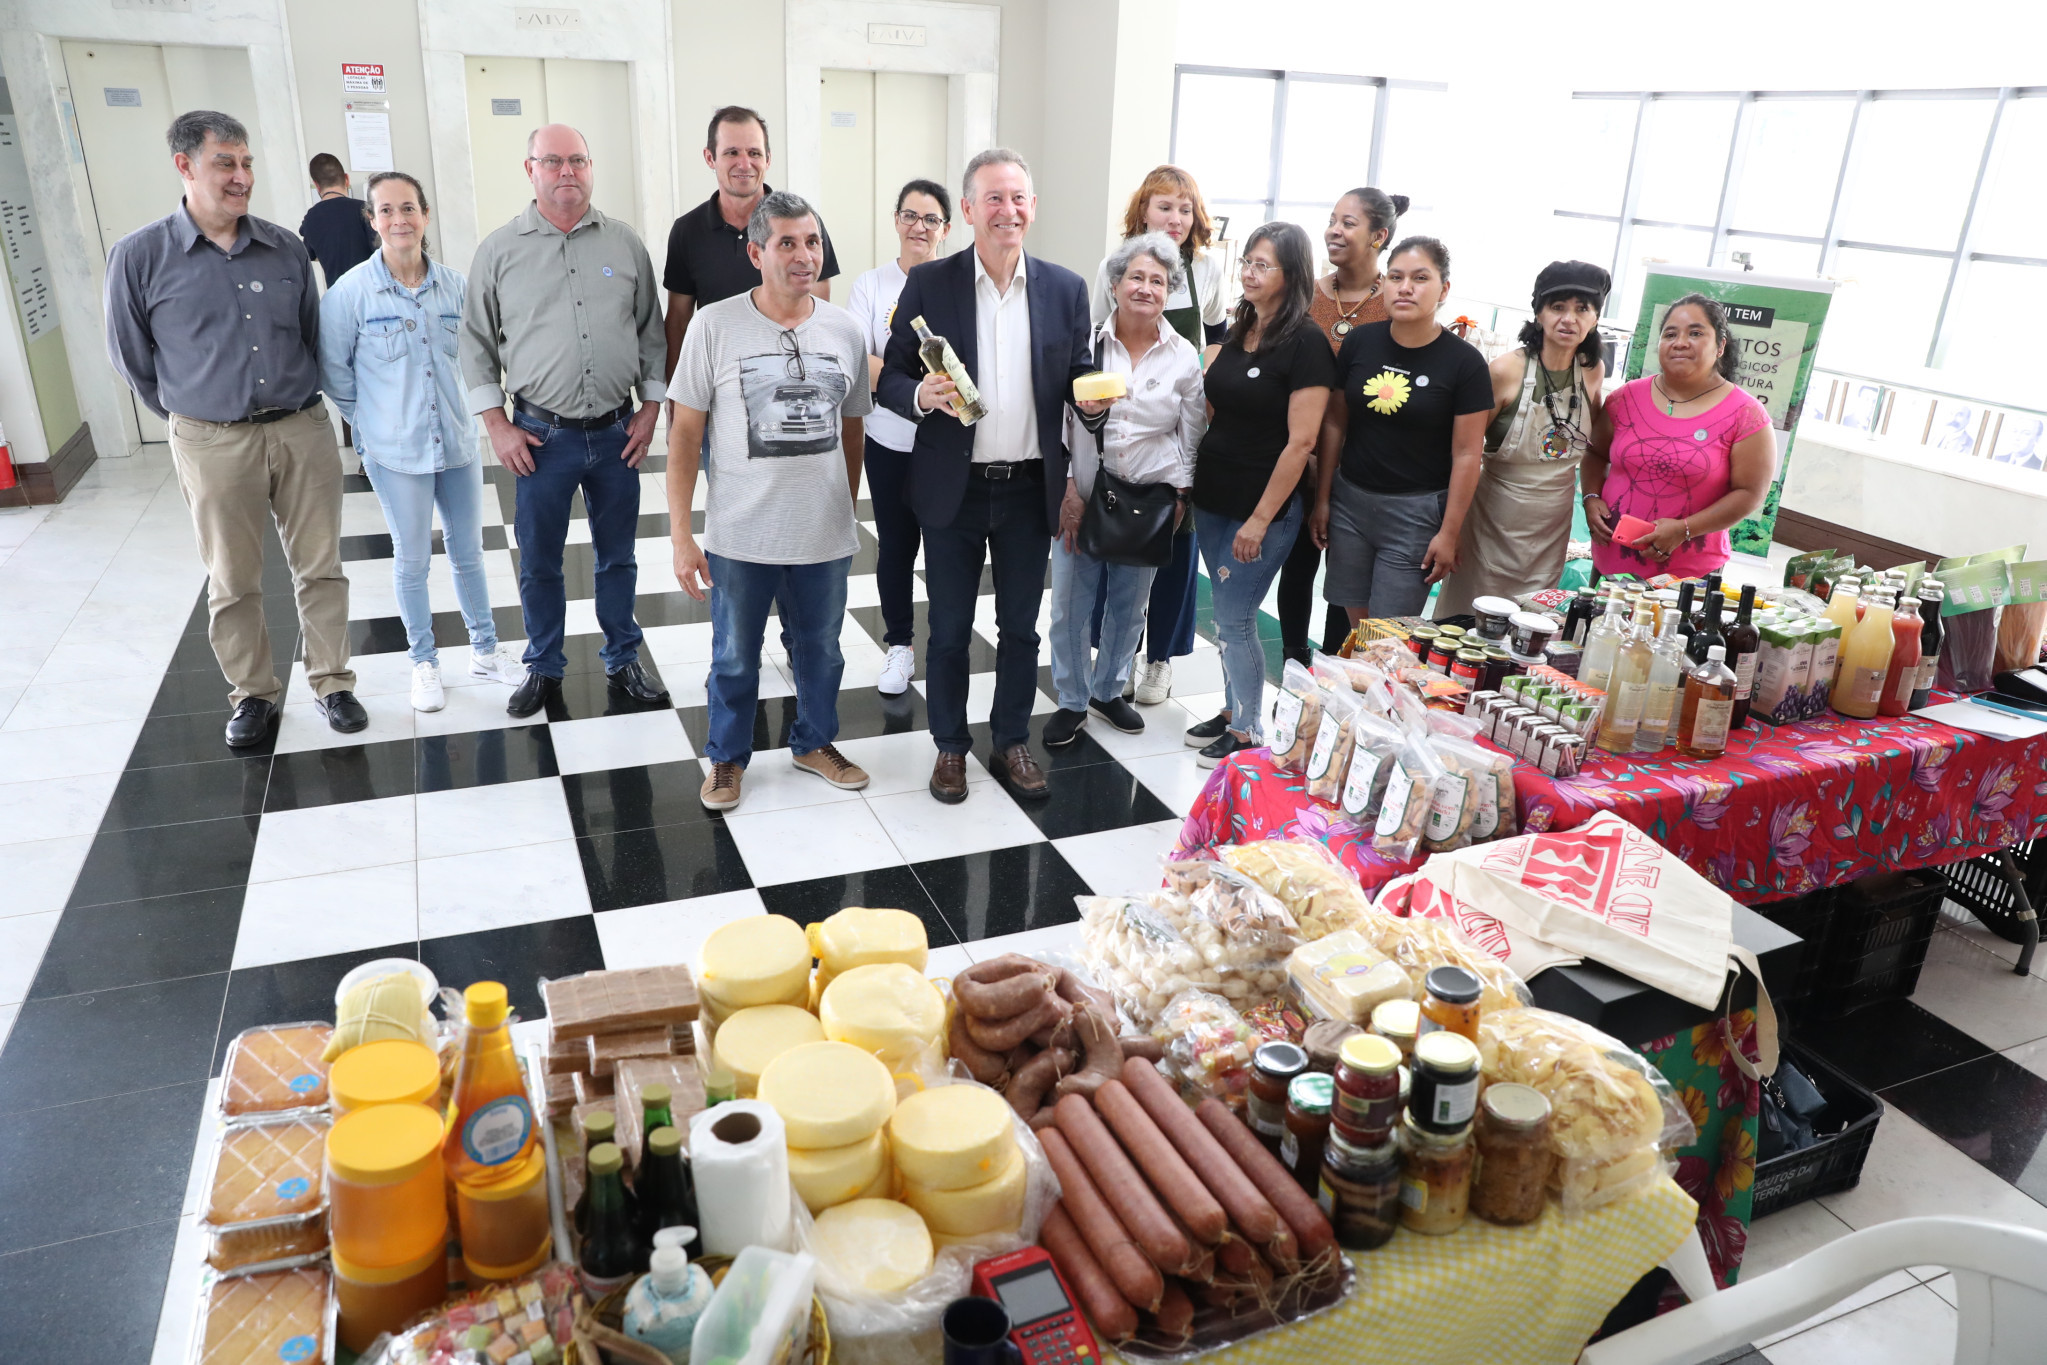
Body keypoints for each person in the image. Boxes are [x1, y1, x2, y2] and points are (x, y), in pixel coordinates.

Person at [104, 110, 363, 747]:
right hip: (212, 439)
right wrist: (194, 417)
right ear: (184, 165)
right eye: (225, 162)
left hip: (300, 427)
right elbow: (132, 358)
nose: (241, 176)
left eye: (246, 162)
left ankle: (332, 682)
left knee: (321, 566)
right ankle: (253, 695)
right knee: (233, 576)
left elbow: (310, 335)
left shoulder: (284, 246)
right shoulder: (140, 256)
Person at [877, 148, 1094, 805]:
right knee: (945, 630)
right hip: (954, 488)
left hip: (1031, 487)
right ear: (968, 210)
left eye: (1019, 198)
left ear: (1032, 207)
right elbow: (888, 376)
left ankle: (1009, 740)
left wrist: (1092, 394)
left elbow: (1077, 370)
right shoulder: (931, 284)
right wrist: (920, 397)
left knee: (1022, 630)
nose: (1008, 210)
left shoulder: (1065, 288)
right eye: (993, 198)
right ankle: (949, 747)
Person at [667, 191, 874, 811]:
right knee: (733, 657)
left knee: (823, 651)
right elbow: (684, 432)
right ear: (756, 252)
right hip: (740, 533)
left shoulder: (844, 329)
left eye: (811, 241)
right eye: (787, 242)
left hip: (822, 532)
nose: (803, 255)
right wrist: (682, 535)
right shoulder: (714, 325)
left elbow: (852, 427)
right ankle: (726, 758)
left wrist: (846, 504)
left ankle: (814, 742)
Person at [460, 123, 669, 717]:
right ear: (530, 170)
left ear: (591, 165)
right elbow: (474, 345)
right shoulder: (499, 251)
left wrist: (651, 408)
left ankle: (624, 658)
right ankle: (544, 667)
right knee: (540, 560)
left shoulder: (624, 244)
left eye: (577, 160)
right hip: (538, 438)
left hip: (616, 434)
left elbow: (651, 333)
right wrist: (497, 426)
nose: (567, 172)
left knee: (618, 556)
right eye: (552, 162)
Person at [318, 171, 530, 712]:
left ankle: (483, 649)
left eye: (408, 208)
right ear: (372, 221)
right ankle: (424, 661)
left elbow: (484, 356)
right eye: (386, 211)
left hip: (456, 443)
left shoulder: (457, 287)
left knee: (469, 554)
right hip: (396, 454)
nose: (398, 219)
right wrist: (370, 426)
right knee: (412, 559)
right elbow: (335, 374)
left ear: (426, 215)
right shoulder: (351, 294)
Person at [1185, 221, 1334, 769]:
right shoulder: (1242, 326)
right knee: (1227, 615)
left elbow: (1301, 444)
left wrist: (1260, 518)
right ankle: (1231, 711)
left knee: (1235, 617)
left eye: (1262, 264)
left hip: (1262, 510)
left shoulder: (1307, 343)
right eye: (1246, 261)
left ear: (1291, 274)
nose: (1249, 272)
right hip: (1215, 495)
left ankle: (1249, 730)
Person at [1046, 231, 1204, 747]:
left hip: (1149, 500)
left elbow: (1191, 432)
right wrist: (1069, 486)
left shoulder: (1182, 356)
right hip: (1085, 494)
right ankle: (1071, 699)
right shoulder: (1087, 345)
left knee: (1130, 604)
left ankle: (1109, 690)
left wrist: (1181, 494)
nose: (1145, 288)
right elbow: (1063, 423)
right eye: (1135, 277)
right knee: (1071, 601)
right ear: (1115, 284)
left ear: (1169, 292)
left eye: (1157, 281)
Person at [1086, 166, 1229, 707]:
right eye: (1164, 206)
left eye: (1184, 209)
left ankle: (1160, 661)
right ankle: (1112, 657)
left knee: (1172, 547)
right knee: (1115, 541)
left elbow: (1217, 335)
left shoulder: (1208, 270)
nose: (1174, 218)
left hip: (1180, 423)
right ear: (1143, 209)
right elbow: (1097, 340)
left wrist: (1195, 373)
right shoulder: (1117, 264)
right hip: (1126, 424)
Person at [1313, 237, 1492, 623]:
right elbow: (1334, 421)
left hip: (1416, 513)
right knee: (1358, 625)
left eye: (1420, 278)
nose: (1405, 287)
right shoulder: (1360, 341)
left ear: (1444, 289)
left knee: (1389, 633)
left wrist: (1449, 532)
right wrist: (1324, 497)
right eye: (1396, 276)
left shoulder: (1465, 363)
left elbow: (1467, 455)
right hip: (1351, 505)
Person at [1435, 260, 1609, 619]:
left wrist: (1592, 497)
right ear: (1539, 313)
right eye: (1557, 307)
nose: (1569, 319)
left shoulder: (1592, 371)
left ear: (1595, 318)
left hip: (1551, 526)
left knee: (1532, 626)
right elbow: (1461, 453)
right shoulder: (1504, 371)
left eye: (1582, 309)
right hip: (1491, 522)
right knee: (1470, 620)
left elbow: (1596, 448)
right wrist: (1448, 532)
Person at [1277, 187, 1405, 662]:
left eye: (1348, 223)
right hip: (1297, 455)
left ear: (1379, 236)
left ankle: (1336, 668)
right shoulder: (1305, 293)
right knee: (1297, 565)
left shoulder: (1394, 302)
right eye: (1332, 219)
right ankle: (1294, 662)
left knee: (1345, 575)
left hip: (1359, 464)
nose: (1334, 229)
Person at [845, 179, 951, 697]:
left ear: (946, 229)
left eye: (930, 219)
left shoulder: (956, 283)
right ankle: (900, 646)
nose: (920, 227)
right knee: (896, 547)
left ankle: (946, 646)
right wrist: (913, 388)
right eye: (910, 216)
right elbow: (857, 356)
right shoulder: (871, 285)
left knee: (950, 546)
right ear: (895, 221)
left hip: (948, 441)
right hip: (888, 436)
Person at [1584, 293, 1774, 579]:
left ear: (1720, 346)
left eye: (1696, 333)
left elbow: (1750, 493)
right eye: (1670, 334)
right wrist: (1590, 495)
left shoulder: (1746, 414)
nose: (1680, 342)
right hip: (1611, 562)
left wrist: (1684, 530)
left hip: (1688, 577)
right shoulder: (1625, 398)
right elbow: (1595, 453)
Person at [662, 106, 840, 391]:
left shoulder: (804, 224)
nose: (744, 164)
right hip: (715, 395)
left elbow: (818, 315)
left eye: (754, 153)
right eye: (732, 152)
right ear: (710, 157)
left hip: (788, 394)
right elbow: (678, 323)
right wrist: (676, 396)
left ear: (768, 159)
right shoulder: (687, 231)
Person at [298, 152, 378, 290]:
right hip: (370, 292)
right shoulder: (364, 209)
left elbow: (309, 254)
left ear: (317, 185)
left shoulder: (310, 219)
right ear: (347, 179)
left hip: (338, 296)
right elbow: (380, 250)